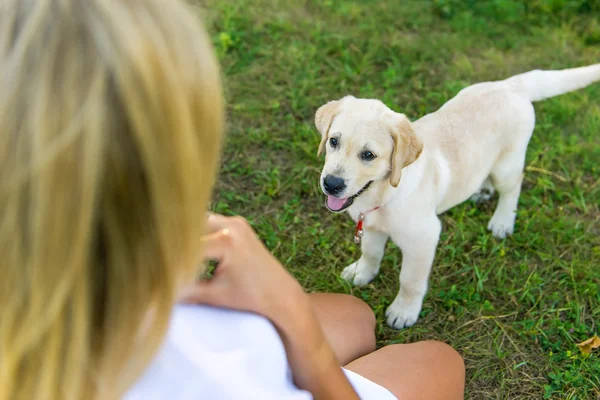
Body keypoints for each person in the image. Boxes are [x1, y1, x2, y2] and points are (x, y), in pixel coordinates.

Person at [0, 0, 465, 399]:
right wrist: (291, 314)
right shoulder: (214, 380)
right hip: (230, 360)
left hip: (141, 318)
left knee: (355, 315)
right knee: (441, 361)